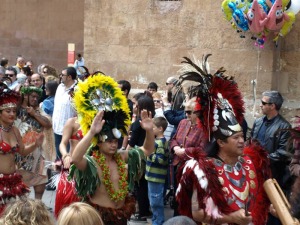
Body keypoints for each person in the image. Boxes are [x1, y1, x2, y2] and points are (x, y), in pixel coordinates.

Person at [174, 55, 271, 225]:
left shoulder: (252, 162)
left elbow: (264, 199)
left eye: (242, 136)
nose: (242, 141)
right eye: (235, 138)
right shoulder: (201, 169)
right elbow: (194, 212)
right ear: (220, 142)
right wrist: (229, 218)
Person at [69, 73, 155, 225]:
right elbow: (75, 159)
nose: (113, 144)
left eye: (115, 141)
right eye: (108, 141)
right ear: (99, 143)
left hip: (121, 217)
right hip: (99, 218)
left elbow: (147, 150)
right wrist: (92, 132)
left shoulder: (122, 157)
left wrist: (149, 130)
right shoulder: (92, 162)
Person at [0, 82, 43, 214]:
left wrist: (36, 144)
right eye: (8, 111)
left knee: (15, 215)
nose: (12, 114)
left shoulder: (15, 130)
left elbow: (23, 151)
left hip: (14, 179)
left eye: (14, 110)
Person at [251, 91, 291, 225]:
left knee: (272, 210)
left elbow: (284, 152)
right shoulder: (257, 122)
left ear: (272, 106)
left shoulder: (284, 126)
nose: (260, 105)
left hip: (273, 175)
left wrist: (263, 158)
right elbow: (250, 141)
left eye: (263, 103)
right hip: (255, 172)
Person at [14, 86, 52, 199]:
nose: (35, 99)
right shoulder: (16, 110)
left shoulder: (39, 111)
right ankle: (22, 208)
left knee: (40, 184)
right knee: (21, 187)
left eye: (37, 97)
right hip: (20, 152)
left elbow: (48, 124)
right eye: (32, 96)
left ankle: (38, 207)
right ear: (26, 96)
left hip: (37, 152)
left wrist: (34, 114)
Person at [54, 116, 82, 217]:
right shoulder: (72, 122)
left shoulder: (98, 121)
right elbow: (62, 144)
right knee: (70, 207)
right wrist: (66, 155)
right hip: (73, 167)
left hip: (91, 167)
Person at [146, 116, 169, 225]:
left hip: (156, 177)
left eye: (153, 127)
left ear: (160, 129)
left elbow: (160, 159)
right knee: (154, 201)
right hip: (153, 176)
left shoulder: (159, 143)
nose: (152, 129)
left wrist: (149, 154)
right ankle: (156, 221)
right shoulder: (159, 141)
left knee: (156, 202)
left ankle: (158, 222)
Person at [52, 67, 77, 159]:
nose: (60, 76)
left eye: (62, 75)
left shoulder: (77, 90)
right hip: (56, 129)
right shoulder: (60, 87)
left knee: (67, 157)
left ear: (69, 77)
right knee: (58, 157)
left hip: (68, 131)